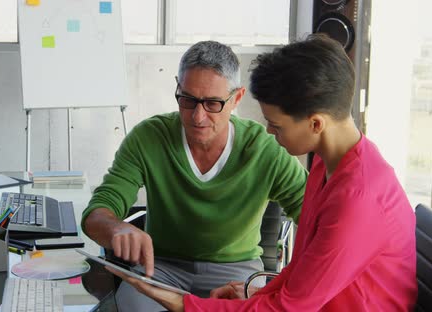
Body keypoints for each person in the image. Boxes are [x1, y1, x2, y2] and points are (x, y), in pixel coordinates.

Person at [108, 34, 418, 311]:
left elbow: (289, 307)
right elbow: (303, 274)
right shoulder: (329, 163)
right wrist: (257, 292)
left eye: (277, 124)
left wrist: (184, 304)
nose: (268, 131)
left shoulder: (358, 199)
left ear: (315, 124)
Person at [81, 40, 308, 311]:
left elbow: (315, 217)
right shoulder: (149, 137)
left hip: (235, 273)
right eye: (187, 100)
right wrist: (115, 227)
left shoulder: (265, 148)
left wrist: (280, 283)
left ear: (236, 98)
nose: (197, 117)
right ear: (177, 87)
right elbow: (98, 211)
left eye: (212, 103)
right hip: (160, 268)